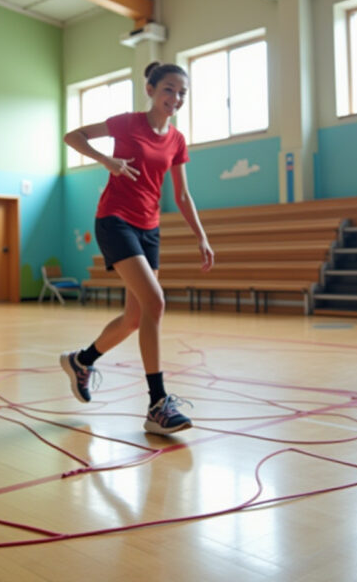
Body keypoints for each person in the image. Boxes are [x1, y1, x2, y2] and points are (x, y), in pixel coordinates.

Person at [59, 61, 214, 435]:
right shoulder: (126, 123)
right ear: (150, 89)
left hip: (149, 228)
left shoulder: (176, 139)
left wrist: (201, 235)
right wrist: (106, 160)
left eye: (182, 93)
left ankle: (81, 361)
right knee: (155, 302)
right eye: (169, 90)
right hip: (114, 220)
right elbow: (73, 136)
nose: (175, 98)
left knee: (134, 317)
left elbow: (182, 194)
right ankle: (157, 403)